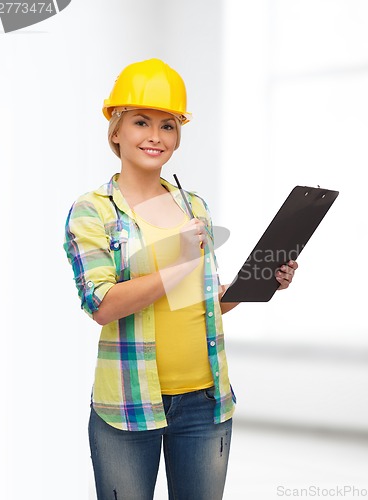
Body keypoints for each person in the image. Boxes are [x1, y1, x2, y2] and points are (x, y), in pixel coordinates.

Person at [63, 58, 298, 500]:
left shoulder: (195, 208)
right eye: (140, 122)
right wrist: (177, 267)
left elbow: (204, 303)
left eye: (168, 125)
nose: (155, 135)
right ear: (115, 131)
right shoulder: (93, 210)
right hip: (129, 408)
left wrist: (262, 280)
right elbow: (102, 305)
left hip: (206, 402)